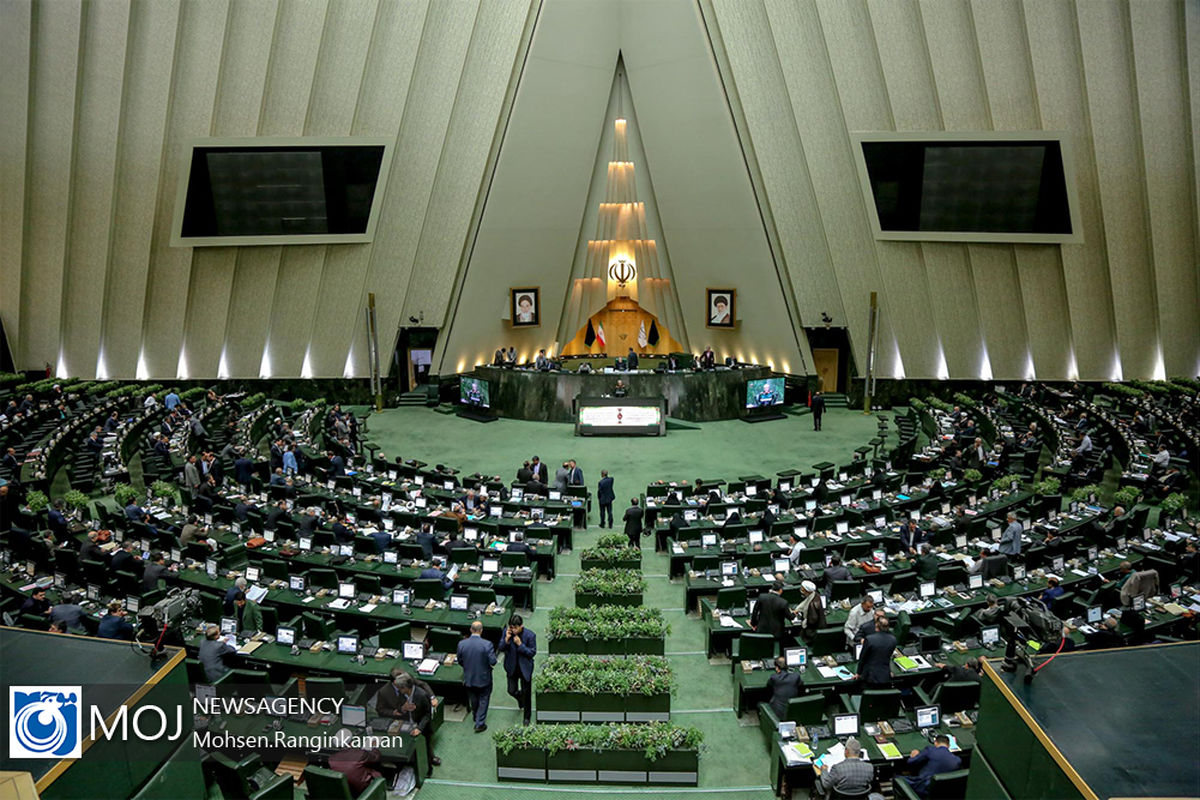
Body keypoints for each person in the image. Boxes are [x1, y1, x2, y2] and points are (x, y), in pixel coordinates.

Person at [456, 621, 496, 733]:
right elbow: (493, 661)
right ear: (481, 630)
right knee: (484, 699)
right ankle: (479, 723)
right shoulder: (487, 644)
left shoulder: (462, 644)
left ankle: (475, 716)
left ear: (470, 630)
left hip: (469, 677)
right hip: (484, 678)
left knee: (473, 698)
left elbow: (460, 660)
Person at [498, 614, 536, 725]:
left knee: (527, 694)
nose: (513, 630)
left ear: (521, 626)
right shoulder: (506, 632)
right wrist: (506, 639)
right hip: (512, 667)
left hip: (525, 669)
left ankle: (527, 717)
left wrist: (520, 645)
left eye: (515, 627)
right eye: (511, 627)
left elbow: (532, 653)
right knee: (511, 690)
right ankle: (520, 697)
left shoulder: (530, 635)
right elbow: (500, 647)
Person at [328, 730, 384, 794]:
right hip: (364, 790)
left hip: (346, 791)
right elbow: (375, 757)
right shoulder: (360, 754)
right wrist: (374, 746)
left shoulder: (331, 759)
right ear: (351, 743)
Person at [857, 617, 896, 687]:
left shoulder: (869, 639)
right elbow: (887, 657)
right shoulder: (893, 639)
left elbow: (863, 658)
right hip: (885, 676)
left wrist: (858, 673)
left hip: (870, 677)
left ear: (876, 626)